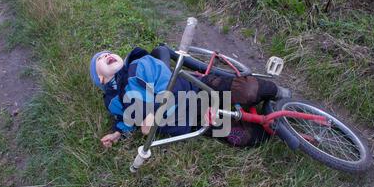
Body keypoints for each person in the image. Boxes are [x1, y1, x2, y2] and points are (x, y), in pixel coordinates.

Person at [90, 46, 290, 148]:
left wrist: (154, 114)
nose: (105, 55)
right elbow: (126, 118)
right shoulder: (113, 102)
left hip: (196, 89)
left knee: (247, 91)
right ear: (101, 79)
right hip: (191, 122)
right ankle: (279, 134)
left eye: (106, 53)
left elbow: (167, 80)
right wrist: (118, 132)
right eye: (99, 58)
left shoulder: (139, 65)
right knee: (245, 137)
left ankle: (276, 92)